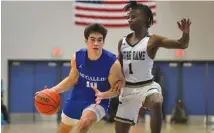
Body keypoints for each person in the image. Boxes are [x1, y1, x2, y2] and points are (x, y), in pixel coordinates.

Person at [114, 1, 191, 133]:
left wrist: (185, 33)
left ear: (145, 18)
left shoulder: (152, 40)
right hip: (128, 88)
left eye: (133, 17)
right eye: (128, 17)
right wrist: (116, 80)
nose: (129, 20)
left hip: (146, 86)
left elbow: (182, 44)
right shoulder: (122, 41)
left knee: (156, 101)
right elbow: (119, 65)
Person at [37, 23, 125, 133]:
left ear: (103, 42)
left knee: (85, 123)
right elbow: (71, 80)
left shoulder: (113, 63)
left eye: (99, 39)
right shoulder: (77, 57)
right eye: (92, 39)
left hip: (97, 102)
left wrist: (103, 95)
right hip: (76, 99)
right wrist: (52, 90)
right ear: (86, 41)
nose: (96, 43)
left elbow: (116, 90)